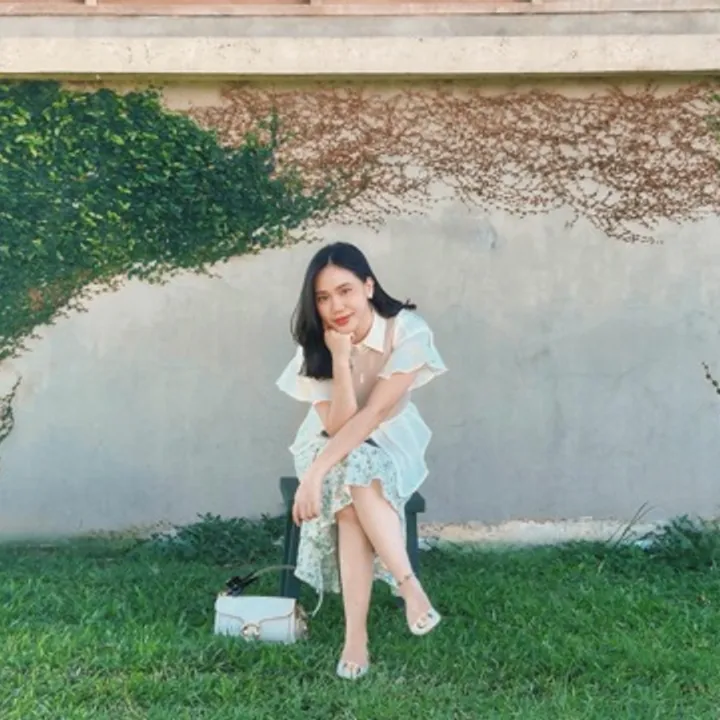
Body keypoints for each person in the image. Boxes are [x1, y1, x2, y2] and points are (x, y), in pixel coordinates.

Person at [276, 241, 447, 680]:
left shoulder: (406, 330)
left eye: (345, 291)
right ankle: (408, 588)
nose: (336, 306)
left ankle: (358, 638)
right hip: (326, 442)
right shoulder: (315, 346)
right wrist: (339, 359)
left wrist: (316, 475)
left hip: (391, 440)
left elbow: (373, 415)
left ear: (369, 286)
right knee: (352, 480)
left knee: (353, 477)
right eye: (323, 297)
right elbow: (337, 428)